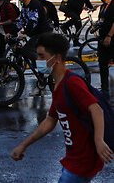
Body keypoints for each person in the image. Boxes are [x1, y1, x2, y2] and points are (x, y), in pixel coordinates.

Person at [11, 33, 113, 182]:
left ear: (57, 58)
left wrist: (99, 141)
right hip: (73, 159)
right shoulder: (59, 85)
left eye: (41, 56)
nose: (37, 60)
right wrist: (24, 145)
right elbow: (50, 120)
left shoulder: (72, 83)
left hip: (83, 161)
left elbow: (96, 109)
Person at [16, 0, 53, 64]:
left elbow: (33, 22)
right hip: (35, 33)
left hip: (43, 33)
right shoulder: (25, 6)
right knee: (32, 53)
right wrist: (12, 32)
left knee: (27, 50)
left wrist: (25, 32)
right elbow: (21, 21)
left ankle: (44, 64)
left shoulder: (34, 5)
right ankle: (41, 72)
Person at [95, 0, 114, 100]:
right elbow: (101, 20)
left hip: (111, 38)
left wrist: (109, 36)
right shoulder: (103, 6)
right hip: (102, 39)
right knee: (102, 62)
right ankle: (104, 88)